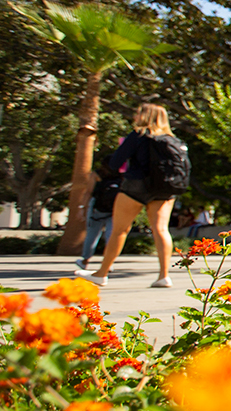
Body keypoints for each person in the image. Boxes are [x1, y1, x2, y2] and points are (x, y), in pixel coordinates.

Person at [74, 103, 186, 288]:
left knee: (120, 230)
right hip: (165, 189)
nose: (135, 116)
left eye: (137, 113)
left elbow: (116, 162)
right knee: (161, 229)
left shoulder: (138, 135)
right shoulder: (172, 139)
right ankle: (164, 276)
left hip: (136, 186)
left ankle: (102, 273)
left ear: (144, 116)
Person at [75, 158, 123, 270]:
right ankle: (108, 263)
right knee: (111, 236)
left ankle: (85, 260)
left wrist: (82, 208)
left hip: (97, 208)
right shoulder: (121, 175)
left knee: (92, 235)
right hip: (114, 208)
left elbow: (88, 192)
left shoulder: (96, 174)